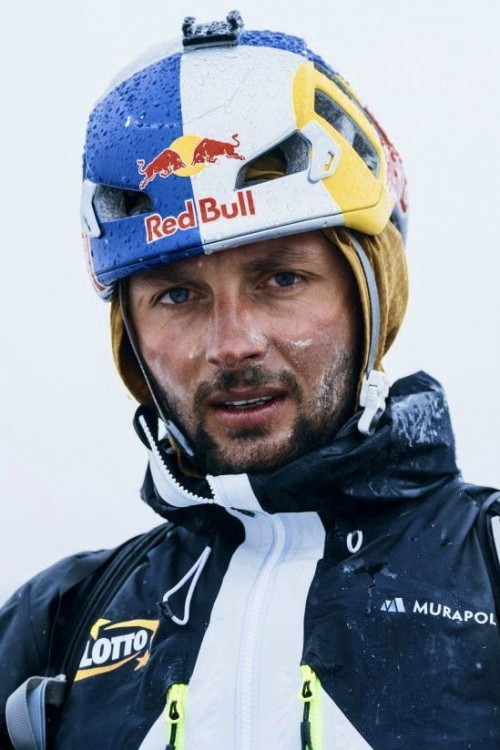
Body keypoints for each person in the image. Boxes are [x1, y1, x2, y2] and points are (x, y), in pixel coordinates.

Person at [1, 11, 499, 750]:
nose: (232, 344)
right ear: (130, 337)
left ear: (372, 298)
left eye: (281, 278)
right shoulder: (56, 626)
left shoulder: (489, 568)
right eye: (178, 294)